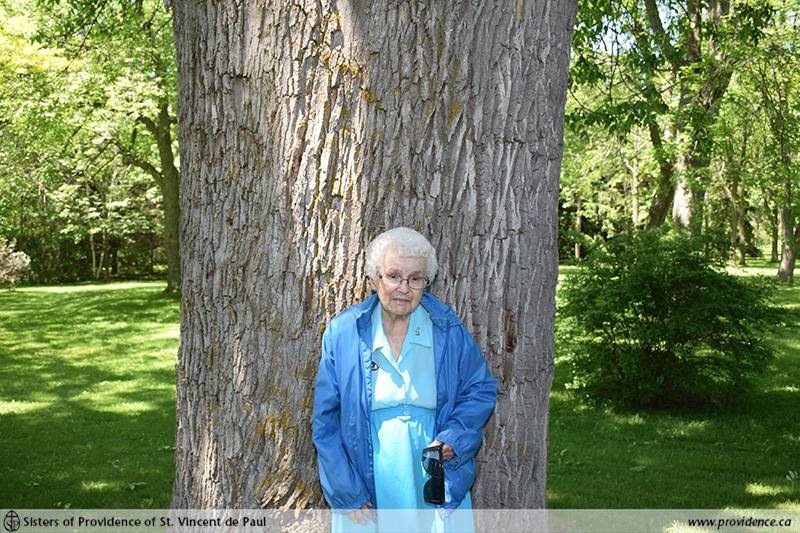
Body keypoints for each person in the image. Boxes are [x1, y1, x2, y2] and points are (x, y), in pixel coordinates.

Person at [313, 227, 498, 533]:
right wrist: (344, 490)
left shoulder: (446, 328)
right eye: (393, 276)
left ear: (426, 282)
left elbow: (479, 388)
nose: (404, 288)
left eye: (415, 278)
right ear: (374, 278)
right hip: (364, 474)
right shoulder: (343, 332)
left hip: (434, 472)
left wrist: (454, 437)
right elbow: (325, 420)